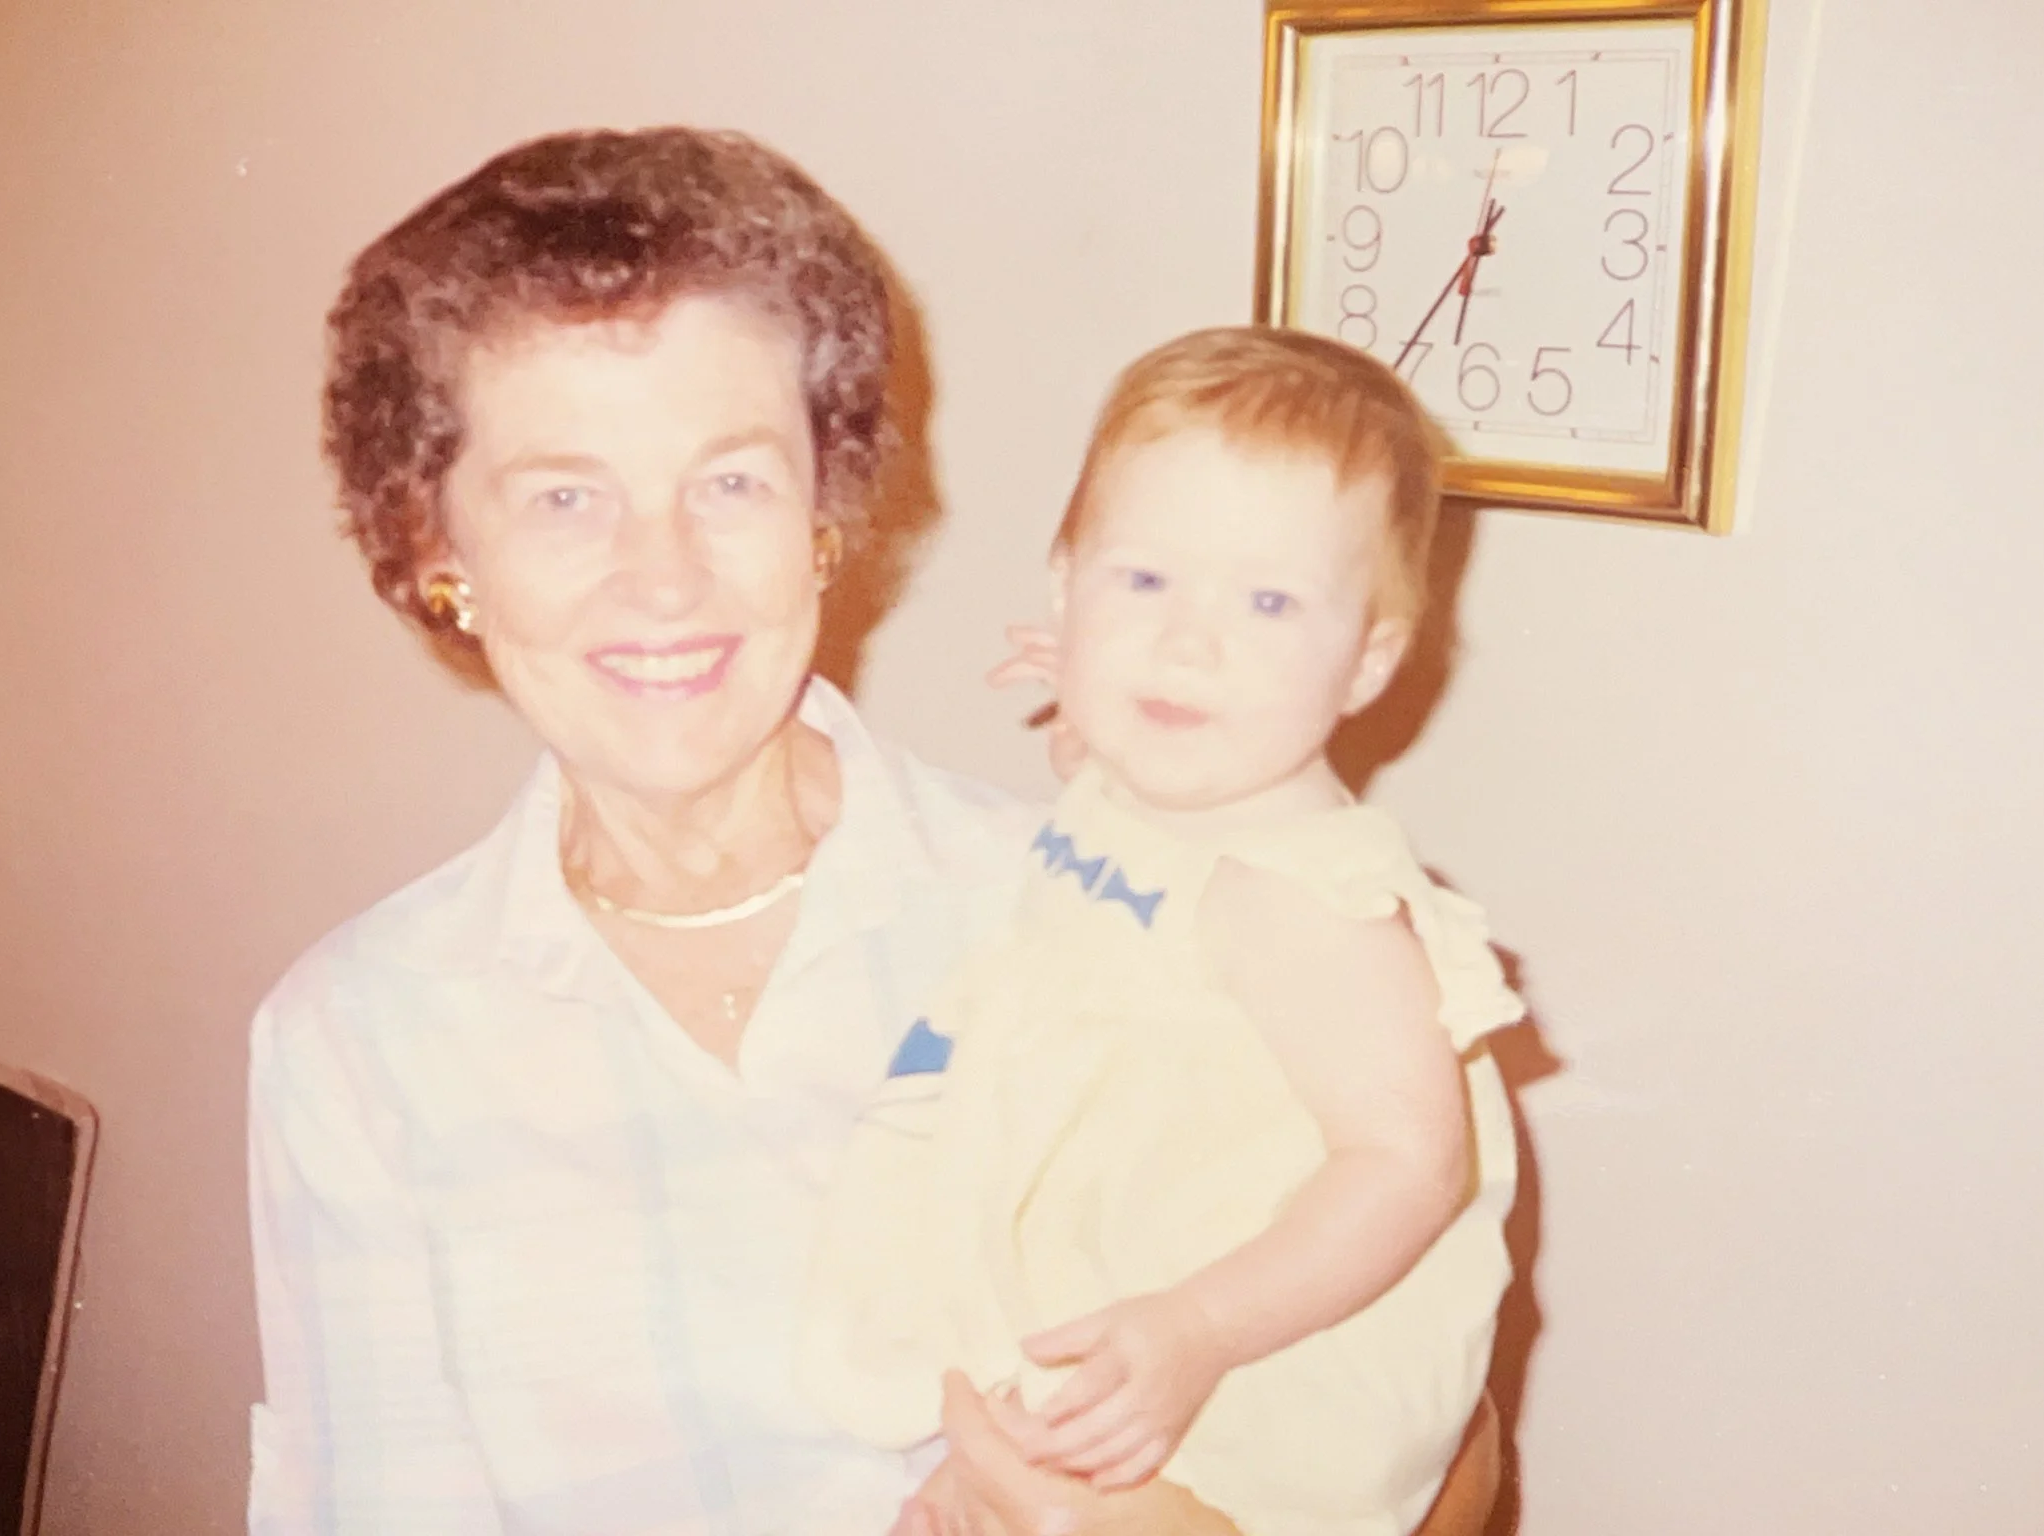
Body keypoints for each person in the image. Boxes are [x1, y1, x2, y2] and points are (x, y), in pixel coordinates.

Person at [246, 126, 1246, 1536]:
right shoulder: (361, 1043)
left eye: (730, 482)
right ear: (437, 551)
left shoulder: (1095, 916)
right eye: (565, 497)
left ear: (824, 510)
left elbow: (1427, 1439)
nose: (664, 579)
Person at [802, 328, 1523, 1536]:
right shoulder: (1161, 789)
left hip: (1261, 1341)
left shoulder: (1299, 896)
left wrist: (1200, 1329)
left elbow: (1409, 1167)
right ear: (1063, 585)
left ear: (1366, 661)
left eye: (1269, 602)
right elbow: (1121, 849)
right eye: (1142, 583)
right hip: (1121, 1288)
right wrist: (1094, 719)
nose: (1190, 644)